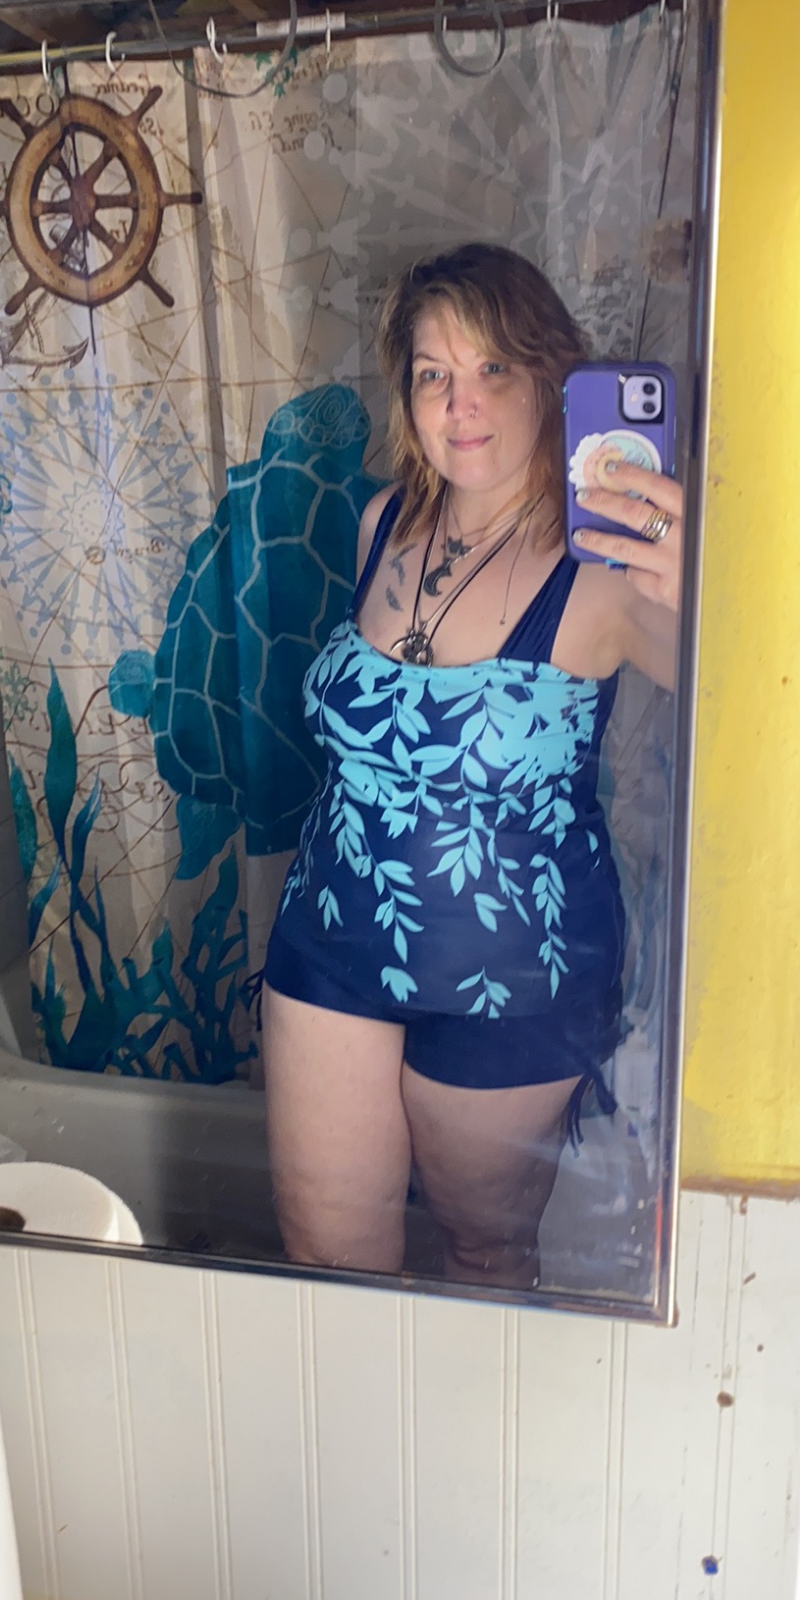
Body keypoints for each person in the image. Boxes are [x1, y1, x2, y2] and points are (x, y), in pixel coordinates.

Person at [262, 243, 683, 1286]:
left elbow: (763, 701)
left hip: (515, 980)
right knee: (328, 1259)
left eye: (493, 366)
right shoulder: (381, 524)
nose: (462, 403)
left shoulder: (612, 569)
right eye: (432, 374)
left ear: (551, 377)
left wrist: (706, 584)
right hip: (329, 948)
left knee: (483, 1259)